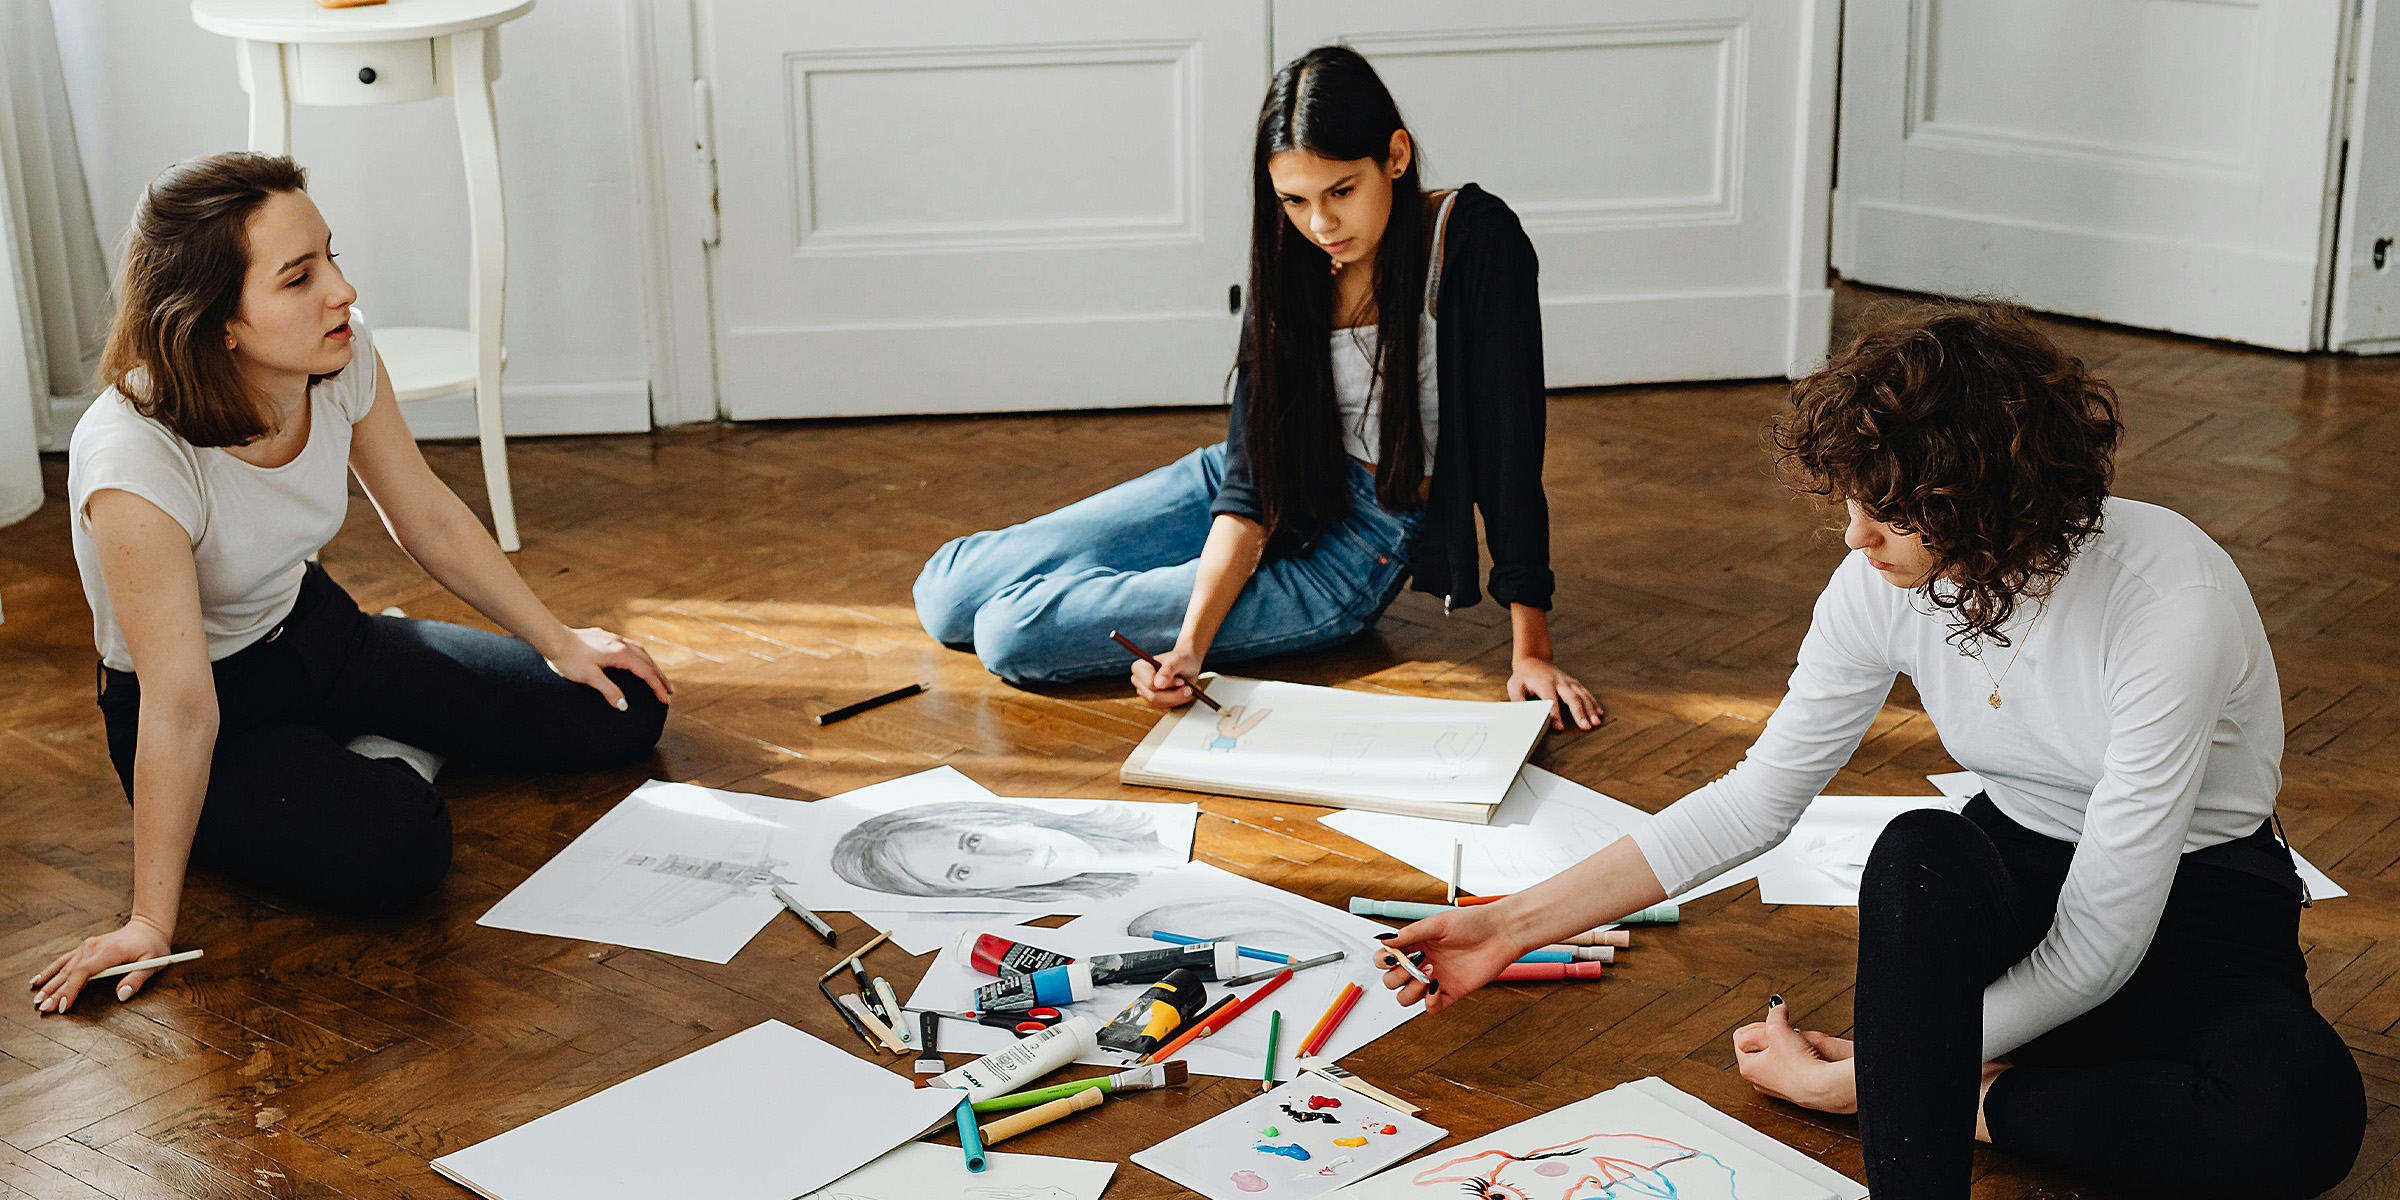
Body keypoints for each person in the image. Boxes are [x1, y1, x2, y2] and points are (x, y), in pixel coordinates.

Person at [1368, 301, 2366, 1199]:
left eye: (1883, 516)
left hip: (2202, 908)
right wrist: (1508, 928)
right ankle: (1937, 1137)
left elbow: (2103, 946)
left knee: (2302, 1123)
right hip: (2016, 877)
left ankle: (1972, 1097)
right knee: (1919, 853)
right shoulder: (1882, 583)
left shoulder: (2167, 604)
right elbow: (1757, 799)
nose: (1853, 540)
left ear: (1983, 505)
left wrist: (1857, 1081)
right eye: (1847, 504)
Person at [30, 153, 672, 1015]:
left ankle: (363, 746)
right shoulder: (134, 458)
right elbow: (181, 705)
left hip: (324, 635)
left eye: (330, 256)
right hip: (210, 709)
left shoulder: (339, 356)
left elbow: (427, 518)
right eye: (300, 277)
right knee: (402, 850)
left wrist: (560, 642)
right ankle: (363, 762)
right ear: (218, 320)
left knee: (624, 704)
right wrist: (150, 918)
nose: (343, 290)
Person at [913, 45, 1600, 731]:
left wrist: (1530, 649)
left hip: (1356, 546)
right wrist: (1189, 643)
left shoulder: (1476, 242)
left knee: (1009, 632)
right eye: (1294, 200)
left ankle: (1109, 598)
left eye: (1342, 191)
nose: (1321, 225)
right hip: (1272, 486)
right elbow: (1248, 486)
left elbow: (1511, 450)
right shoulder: (1292, 256)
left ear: (1395, 155)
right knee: (948, 593)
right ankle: (1134, 592)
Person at [829, 801, 1174, 902]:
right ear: (983, 892)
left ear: (1000, 816)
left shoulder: (1166, 829)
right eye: (963, 873)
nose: (1012, 858)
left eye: (974, 841)